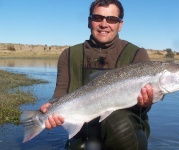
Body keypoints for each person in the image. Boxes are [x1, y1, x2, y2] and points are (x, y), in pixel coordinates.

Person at [40, 0, 153, 149]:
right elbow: (60, 94)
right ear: (89, 21)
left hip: (128, 132)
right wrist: (51, 109)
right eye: (97, 18)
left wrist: (146, 103)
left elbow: (142, 109)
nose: (104, 24)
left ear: (120, 25)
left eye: (111, 19)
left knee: (118, 122)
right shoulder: (69, 55)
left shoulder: (137, 54)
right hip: (83, 131)